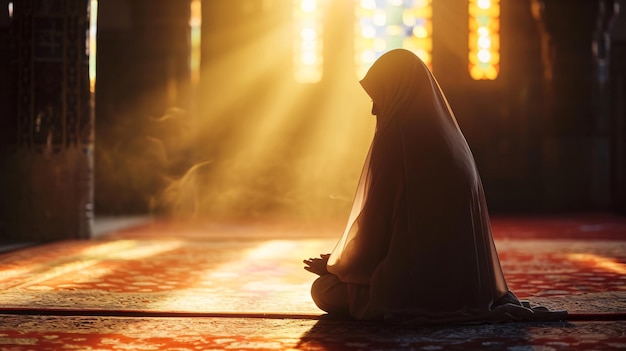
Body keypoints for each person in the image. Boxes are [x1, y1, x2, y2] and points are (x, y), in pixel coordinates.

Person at [304, 49, 565, 323]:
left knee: (323, 291)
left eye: (377, 99)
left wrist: (338, 267)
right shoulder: (451, 143)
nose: (373, 109)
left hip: (410, 289)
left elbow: (374, 230)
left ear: (396, 93)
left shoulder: (396, 141)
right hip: (468, 288)